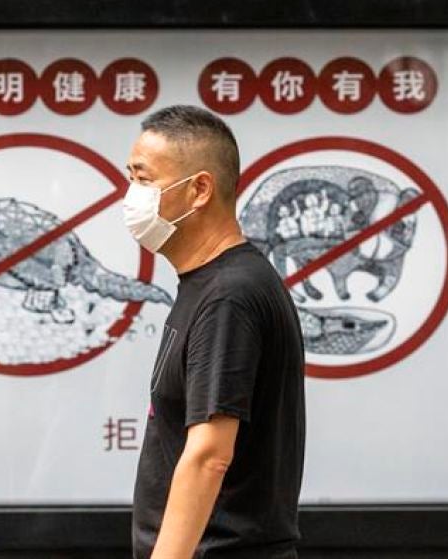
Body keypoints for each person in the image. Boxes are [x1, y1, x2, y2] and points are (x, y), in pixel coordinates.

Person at [123, 104, 306, 559]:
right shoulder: (210, 284)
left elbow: (209, 455)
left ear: (199, 189)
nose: (132, 196)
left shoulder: (229, 296)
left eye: (144, 179)